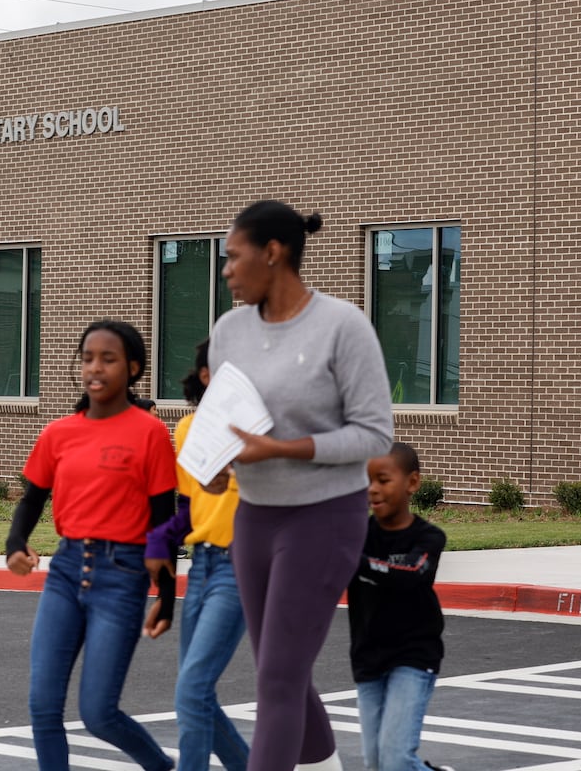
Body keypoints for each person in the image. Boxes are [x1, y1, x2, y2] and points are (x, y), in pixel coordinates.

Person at [213, 199, 394, 771]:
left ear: (273, 253)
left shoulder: (342, 326)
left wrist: (284, 449)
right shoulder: (227, 331)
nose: (225, 271)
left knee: (279, 680)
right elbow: (227, 423)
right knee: (275, 666)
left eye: (233, 257)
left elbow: (373, 435)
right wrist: (217, 464)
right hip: (255, 520)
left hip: (324, 518)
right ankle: (322, 763)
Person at [5, 319, 179, 771]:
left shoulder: (150, 433)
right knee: (43, 708)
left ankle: (162, 767)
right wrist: (15, 544)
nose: (95, 367)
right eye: (87, 358)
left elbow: (163, 524)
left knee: (99, 713)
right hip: (65, 571)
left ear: (133, 368)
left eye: (108, 358)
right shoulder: (59, 432)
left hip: (122, 576)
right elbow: (31, 499)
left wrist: (165, 597)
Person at [145, 340, 249, 771]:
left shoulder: (263, 431)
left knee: (191, 691)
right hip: (202, 566)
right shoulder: (188, 429)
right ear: (207, 376)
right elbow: (189, 510)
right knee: (198, 694)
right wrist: (159, 543)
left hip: (242, 566)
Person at [348, 442, 449, 771]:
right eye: (368, 481)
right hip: (368, 656)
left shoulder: (428, 537)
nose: (373, 490)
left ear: (413, 483)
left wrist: (357, 562)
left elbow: (411, 575)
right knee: (377, 763)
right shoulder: (356, 535)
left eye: (383, 479)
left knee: (393, 759)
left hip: (413, 655)